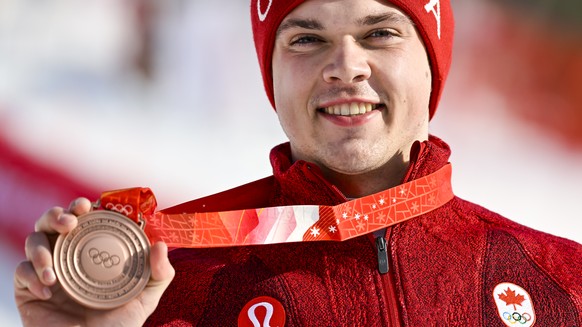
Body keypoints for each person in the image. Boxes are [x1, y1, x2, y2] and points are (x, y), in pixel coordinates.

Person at [14, 0, 582, 326]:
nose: (344, 65)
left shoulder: (565, 283)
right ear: (272, 77)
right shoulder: (171, 299)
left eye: (380, 33)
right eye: (306, 40)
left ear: (433, 63)